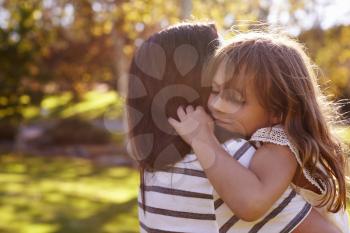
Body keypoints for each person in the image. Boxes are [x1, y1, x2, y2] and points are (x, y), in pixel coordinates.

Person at [127, 22, 340, 232]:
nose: (216, 105)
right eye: (214, 90)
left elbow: (251, 203)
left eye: (234, 98)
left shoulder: (278, 146)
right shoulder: (235, 157)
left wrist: (202, 138)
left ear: (278, 111)